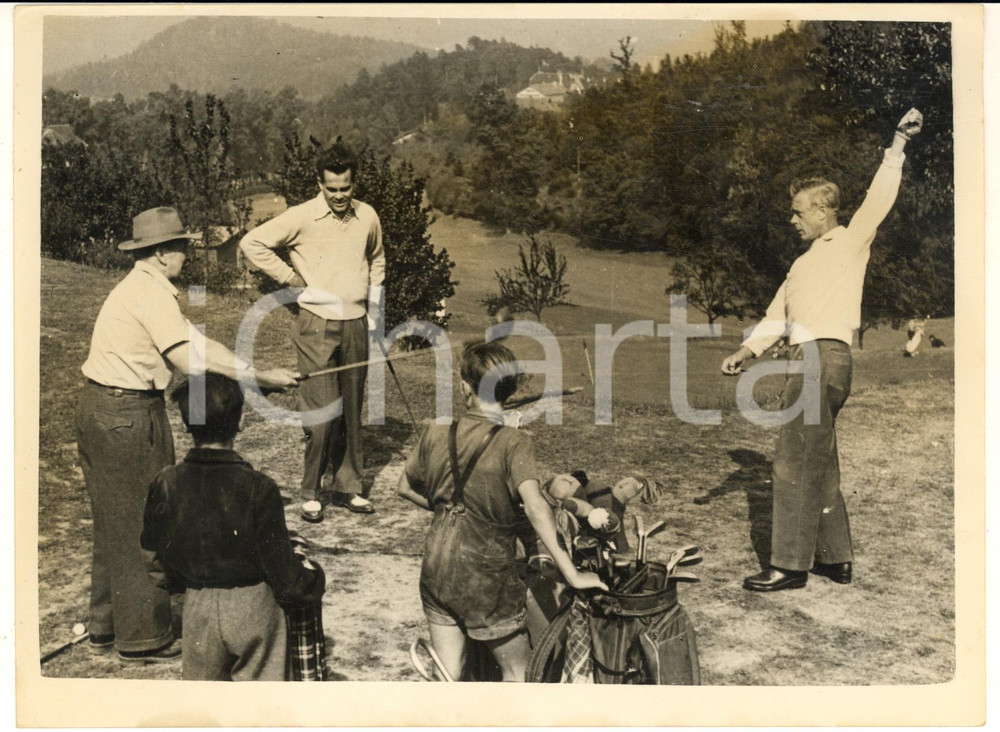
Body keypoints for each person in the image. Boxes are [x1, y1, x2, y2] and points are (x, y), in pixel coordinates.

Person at [76, 206, 299, 662]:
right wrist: (258, 378)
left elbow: (196, 342)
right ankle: (143, 638)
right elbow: (188, 362)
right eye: (180, 246)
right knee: (140, 522)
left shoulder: (146, 287)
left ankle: (106, 625)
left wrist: (253, 369)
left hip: (103, 408)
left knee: (113, 520)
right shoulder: (151, 294)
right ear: (160, 253)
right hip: (126, 414)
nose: (186, 254)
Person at [721, 108, 923, 592]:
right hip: (808, 361)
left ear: (824, 209)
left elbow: (878, 198)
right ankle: (836, 559)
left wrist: (897, 144)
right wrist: (746, 352)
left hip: (821, 360)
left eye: (798, 210)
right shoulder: (800, 264)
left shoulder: (850, 241)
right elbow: (776, 316)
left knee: (791, 462)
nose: (792, 219)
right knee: (819, 456)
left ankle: (789, 565)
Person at [396, 341, 607, 681]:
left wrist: (447, 509)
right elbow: (537, 506)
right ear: (509, 391)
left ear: (465, 386)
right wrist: (573, 574)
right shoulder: (514, 441)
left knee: (447, 675)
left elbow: (404, 488)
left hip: (436, 565)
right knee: (517, 674)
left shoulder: (435, 430)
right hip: (486, 575)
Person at [140, 374, 326, 680]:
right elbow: (285, 576)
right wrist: (313, 579)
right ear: (240, 423)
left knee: (204, 709)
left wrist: (180, 585)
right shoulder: (259, 486)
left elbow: (153, 557)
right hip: (253, 605)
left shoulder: (166, 481)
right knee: (261, 708)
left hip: (196, 605)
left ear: (187, 424)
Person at [240, 137, 385, 518]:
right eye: (331, 188)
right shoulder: (301, 216)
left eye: (346, 188)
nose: (339, 195)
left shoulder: (368, 216)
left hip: (356, 323)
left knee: (352, 409)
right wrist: (290, 278)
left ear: (355, 183)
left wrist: (374, 311)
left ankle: (349, 487)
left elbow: (378, 260)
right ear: (319, 183)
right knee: (322, 413)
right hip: (316, 325)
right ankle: (311, 490)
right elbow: (252, 243)